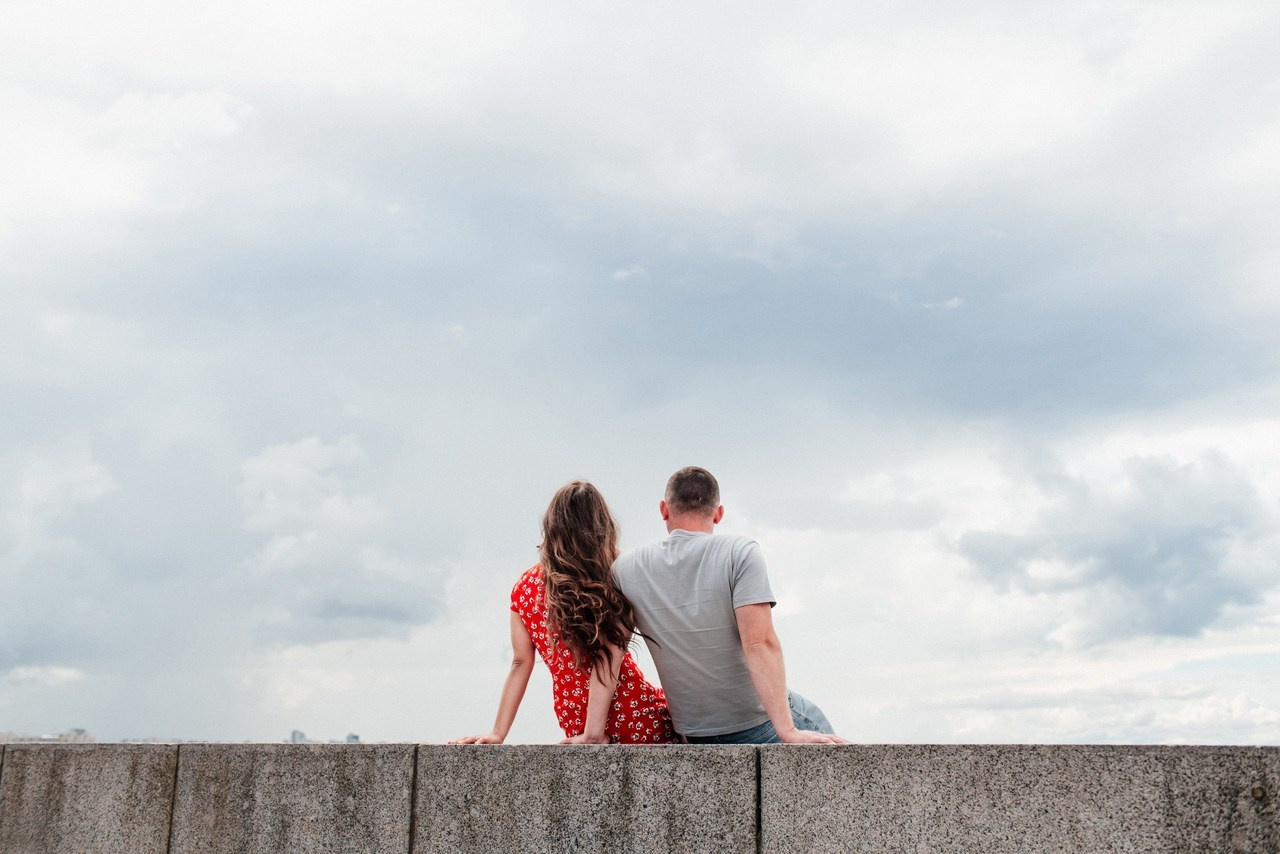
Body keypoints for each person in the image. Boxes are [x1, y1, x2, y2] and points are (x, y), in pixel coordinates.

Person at [607, 466, 847, 745]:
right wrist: (788, 732)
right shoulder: (740, 553)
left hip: (693, 733)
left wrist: (591, 732)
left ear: (664, 510)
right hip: (757, 724)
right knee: (835, 751)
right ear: (718, 514)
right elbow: (760, 643)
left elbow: (612, 651)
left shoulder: (625, 568)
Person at [453, 481, 676, 745]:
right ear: (602, 528)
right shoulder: (616, 573)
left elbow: (520, 662)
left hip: (576, 719)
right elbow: (608, 655)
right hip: (633, 716)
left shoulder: (524, 587)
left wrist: (498, 732)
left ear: (552, 526)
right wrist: (594, 734)